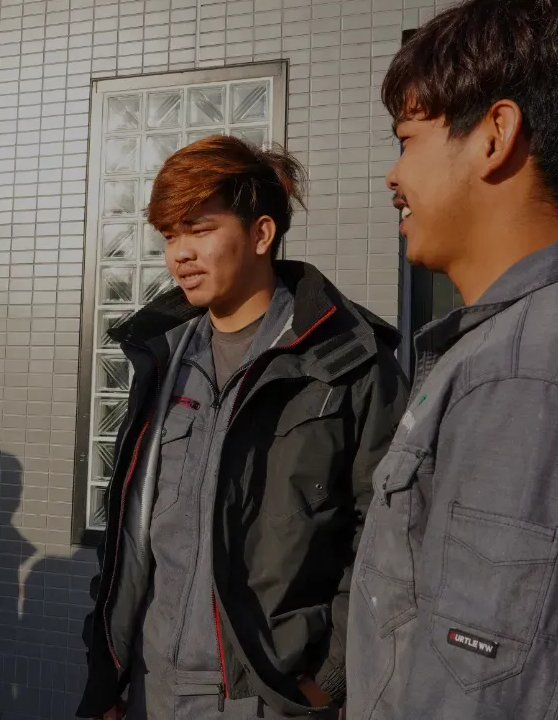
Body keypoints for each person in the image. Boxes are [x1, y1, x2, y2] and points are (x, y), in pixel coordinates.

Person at [346, 0, 558, 719]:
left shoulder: (532, 382)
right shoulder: (509, 353)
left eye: (407, 140)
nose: (393, 175)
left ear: (495, 136)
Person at [77, 135, 409, 720]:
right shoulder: (163, 358)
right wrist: (110, 673)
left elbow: (389, 538)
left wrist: (329, 681)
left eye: (199, 230)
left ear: (261, 234)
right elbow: (130, 530)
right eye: (169, 236)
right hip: (151, 688)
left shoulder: (347, 363)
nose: (179, 254)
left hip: (268, 698)